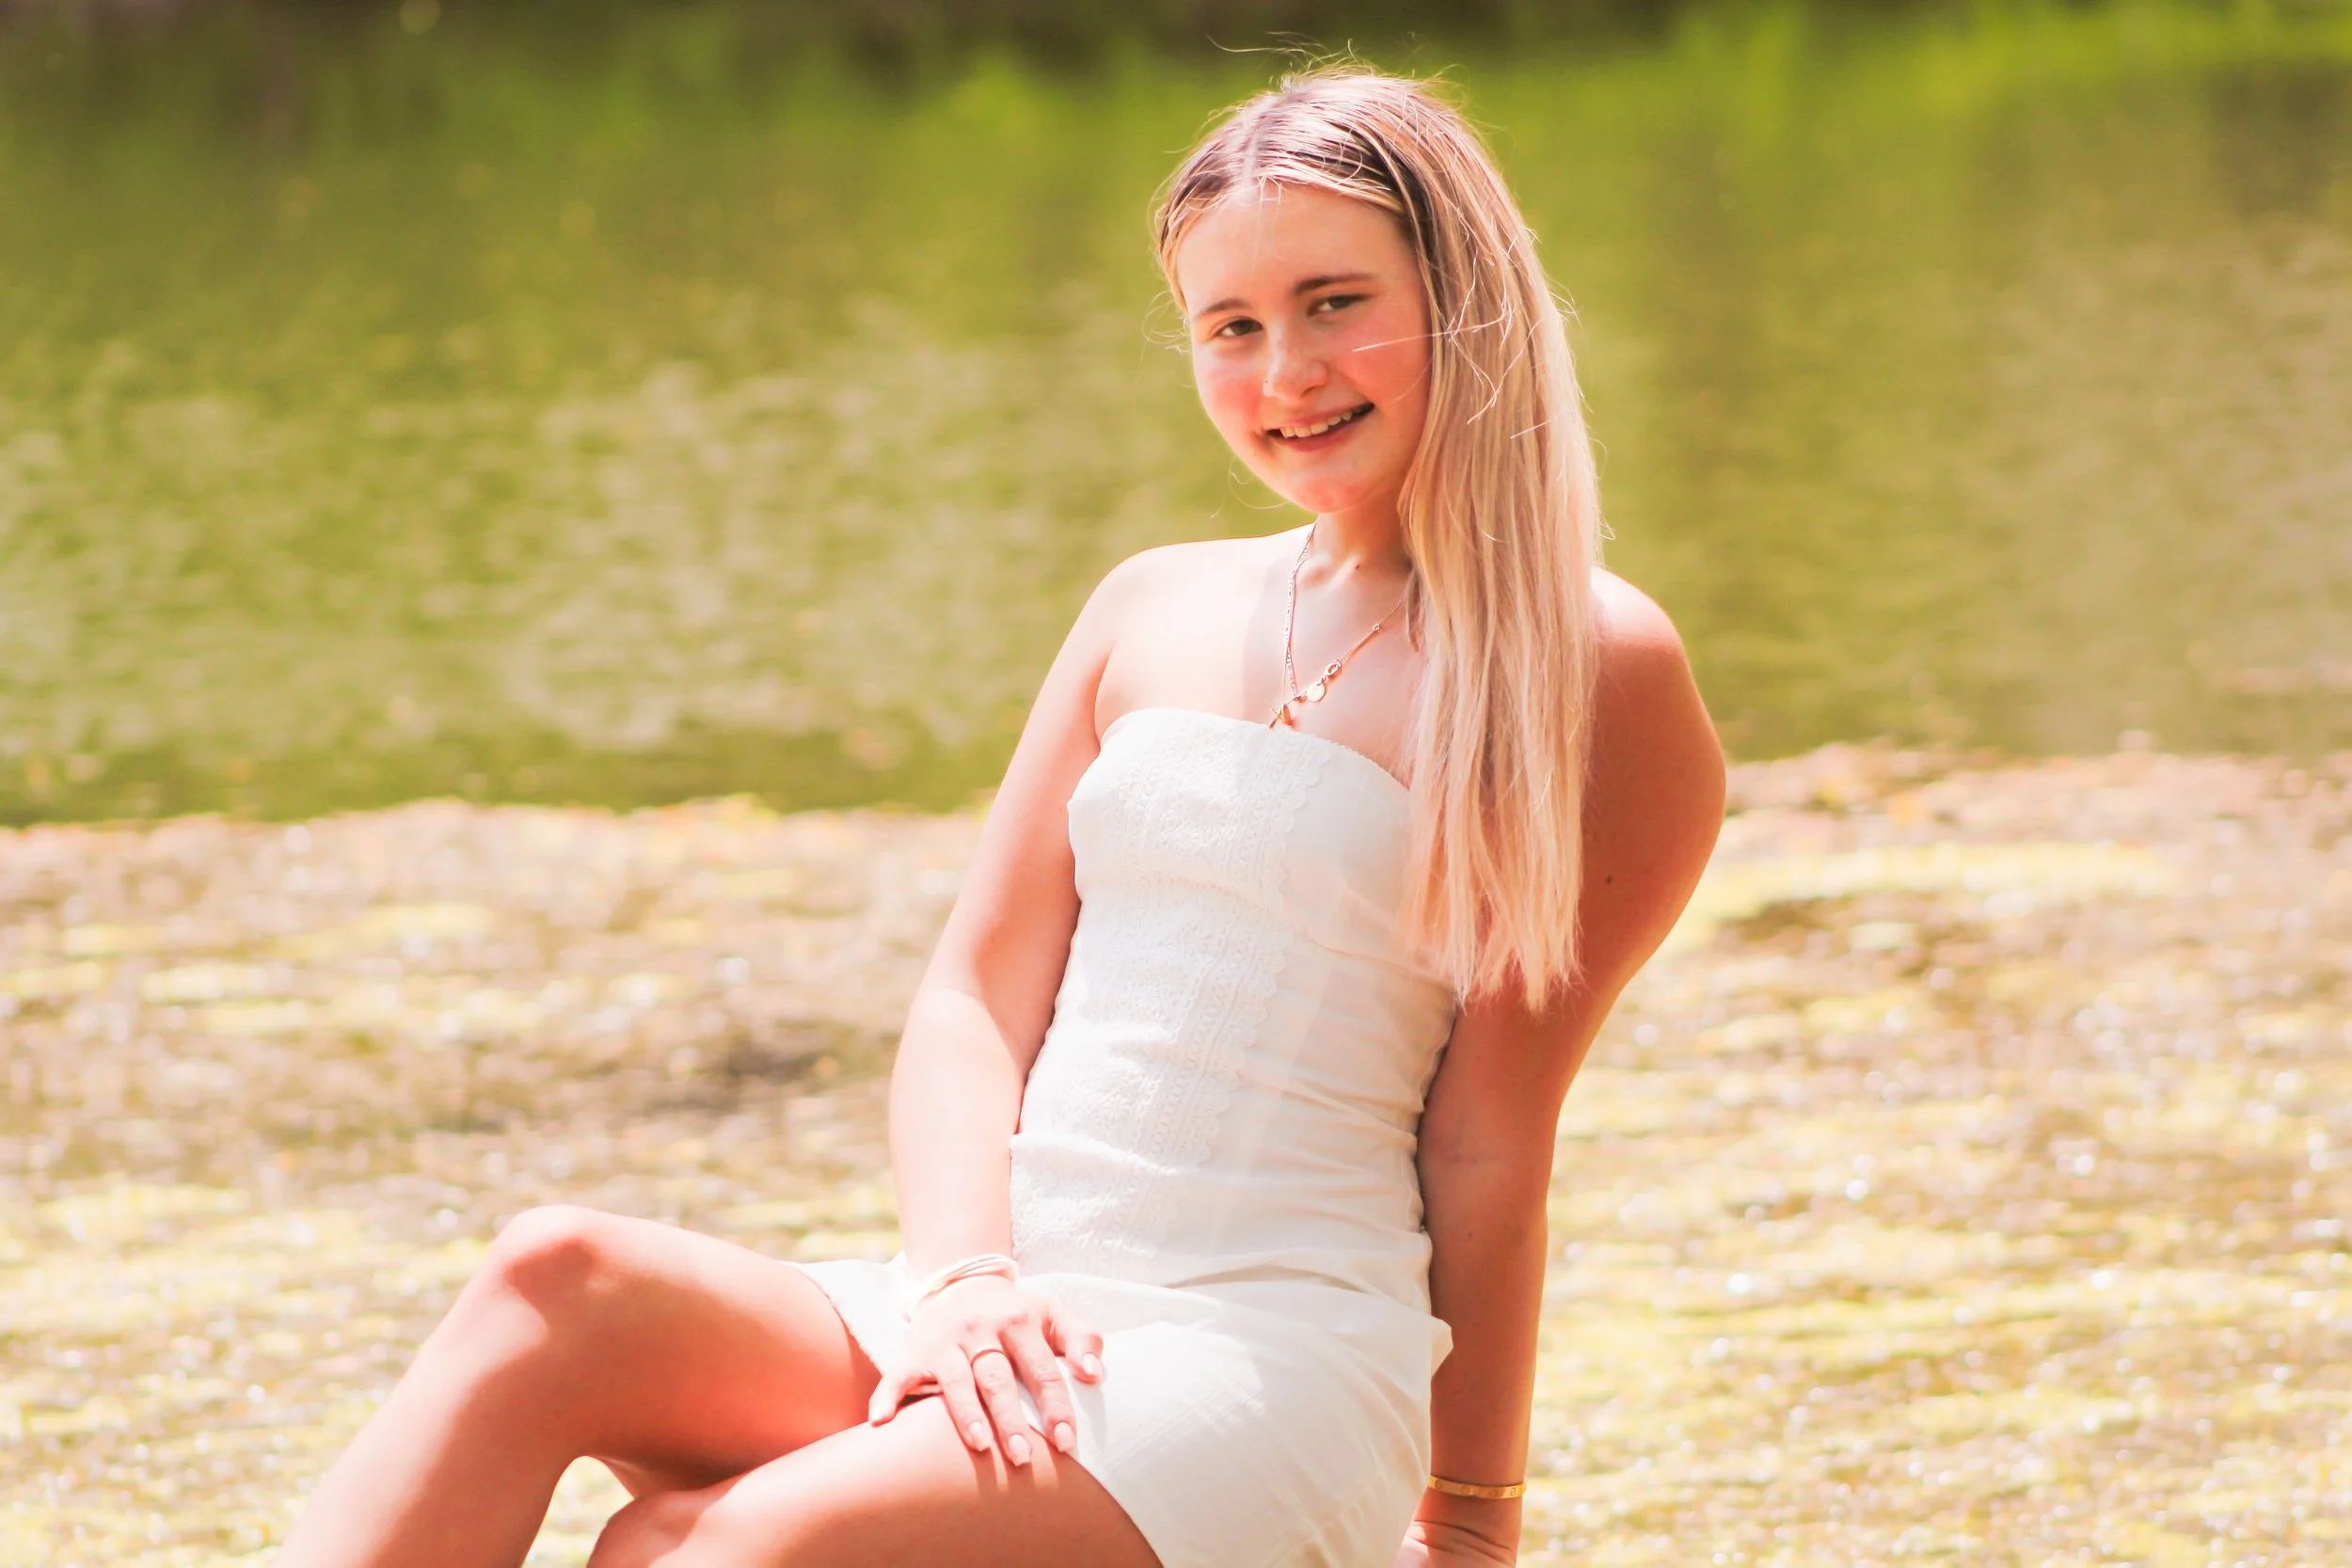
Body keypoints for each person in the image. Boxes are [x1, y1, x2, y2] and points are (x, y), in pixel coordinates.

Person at [277, 66, 1724, 1568]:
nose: (1283, 371)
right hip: (1008, 1297)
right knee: (553, 1281)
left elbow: (1491, 1142)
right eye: (1231, 326)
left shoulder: (1590, 667)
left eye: (1333, 301)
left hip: (1258, 1351)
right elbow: (974, 995)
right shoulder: (1149, 604)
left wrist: (1472, 1527)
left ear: (1465, 296)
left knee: (718, 1546)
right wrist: (964, 1274)